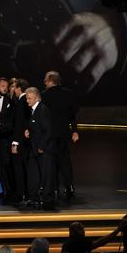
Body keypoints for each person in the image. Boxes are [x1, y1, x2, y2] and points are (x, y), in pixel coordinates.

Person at [41, 71, 79, 200]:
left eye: (45, 80)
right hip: (63, 133)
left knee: (51, 161)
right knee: (64, 160)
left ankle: (54, 188)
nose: (44, 82)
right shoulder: (69, 94)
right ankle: (69, 187)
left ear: (51, 80)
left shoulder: (44, 96)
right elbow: (73, 115)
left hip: (49, 135)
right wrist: (74, 130)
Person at [24, 87, 55, 209]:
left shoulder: (42, 110)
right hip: (34, 148)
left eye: (29, 98)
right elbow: (36, 127)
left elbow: (49, 131)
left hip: (44, 149)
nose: (27, 100)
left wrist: (42, 147)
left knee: (47, 175)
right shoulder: (33, 110)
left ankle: (48, 201)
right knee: (34, 174)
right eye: (26, 98)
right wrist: (28, 131)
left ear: (36, 97)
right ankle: (33, 198)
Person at [0, 77, 15, 201]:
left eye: (6, 86)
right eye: (2, 86)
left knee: (5, 163)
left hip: (5, 138)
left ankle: (6, 189)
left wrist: (0, 117)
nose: (5, 88)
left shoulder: (10, 101)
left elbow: (11, 119)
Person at [10, 79, 31, 204]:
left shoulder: (21, 102)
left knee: (19, 168)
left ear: (19, 88)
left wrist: (15, 143)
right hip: (27, 141)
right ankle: (26, 194)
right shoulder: (26, 102)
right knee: (25, 167)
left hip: (20, 142)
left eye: (15, 88)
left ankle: (22, 194)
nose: (13, 90)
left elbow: (19, 125)